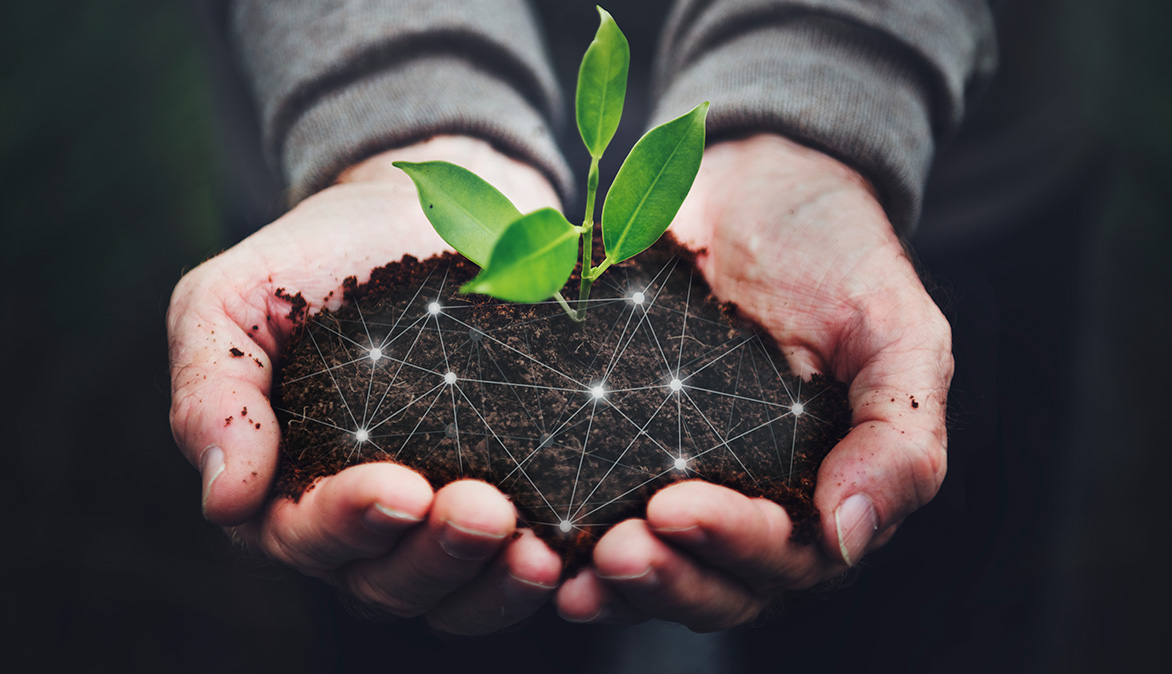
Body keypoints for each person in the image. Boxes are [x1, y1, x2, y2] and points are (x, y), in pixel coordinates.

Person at [170, 0, 994, 640]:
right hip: (318, 110)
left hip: (951, 164)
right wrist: (392, 98)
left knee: (919, 620)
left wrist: (831, 86)